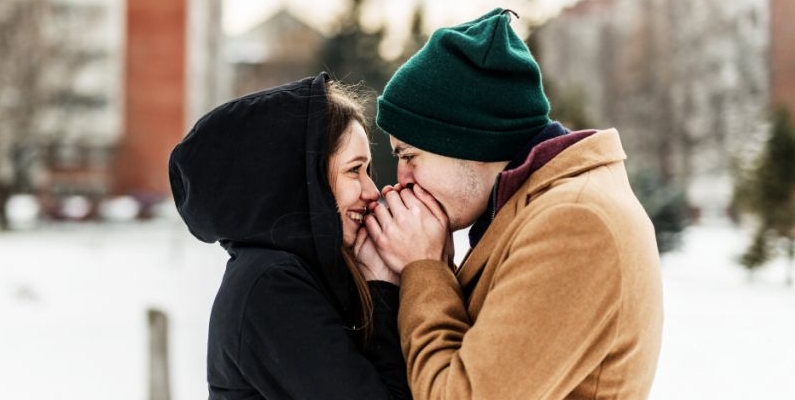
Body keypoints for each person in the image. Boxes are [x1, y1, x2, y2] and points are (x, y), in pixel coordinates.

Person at [361, 8, 664, 400]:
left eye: (409, 155)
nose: (401, 180)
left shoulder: (576, 222)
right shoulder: (532, 211)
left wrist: (425, 268)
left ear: (467, 142)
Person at [169, 72, 411, 400]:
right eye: (354, 170)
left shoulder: (299, 274)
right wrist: (383, 288)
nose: (372, 191)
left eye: (368, 171)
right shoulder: (270, 285)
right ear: (302, 179)